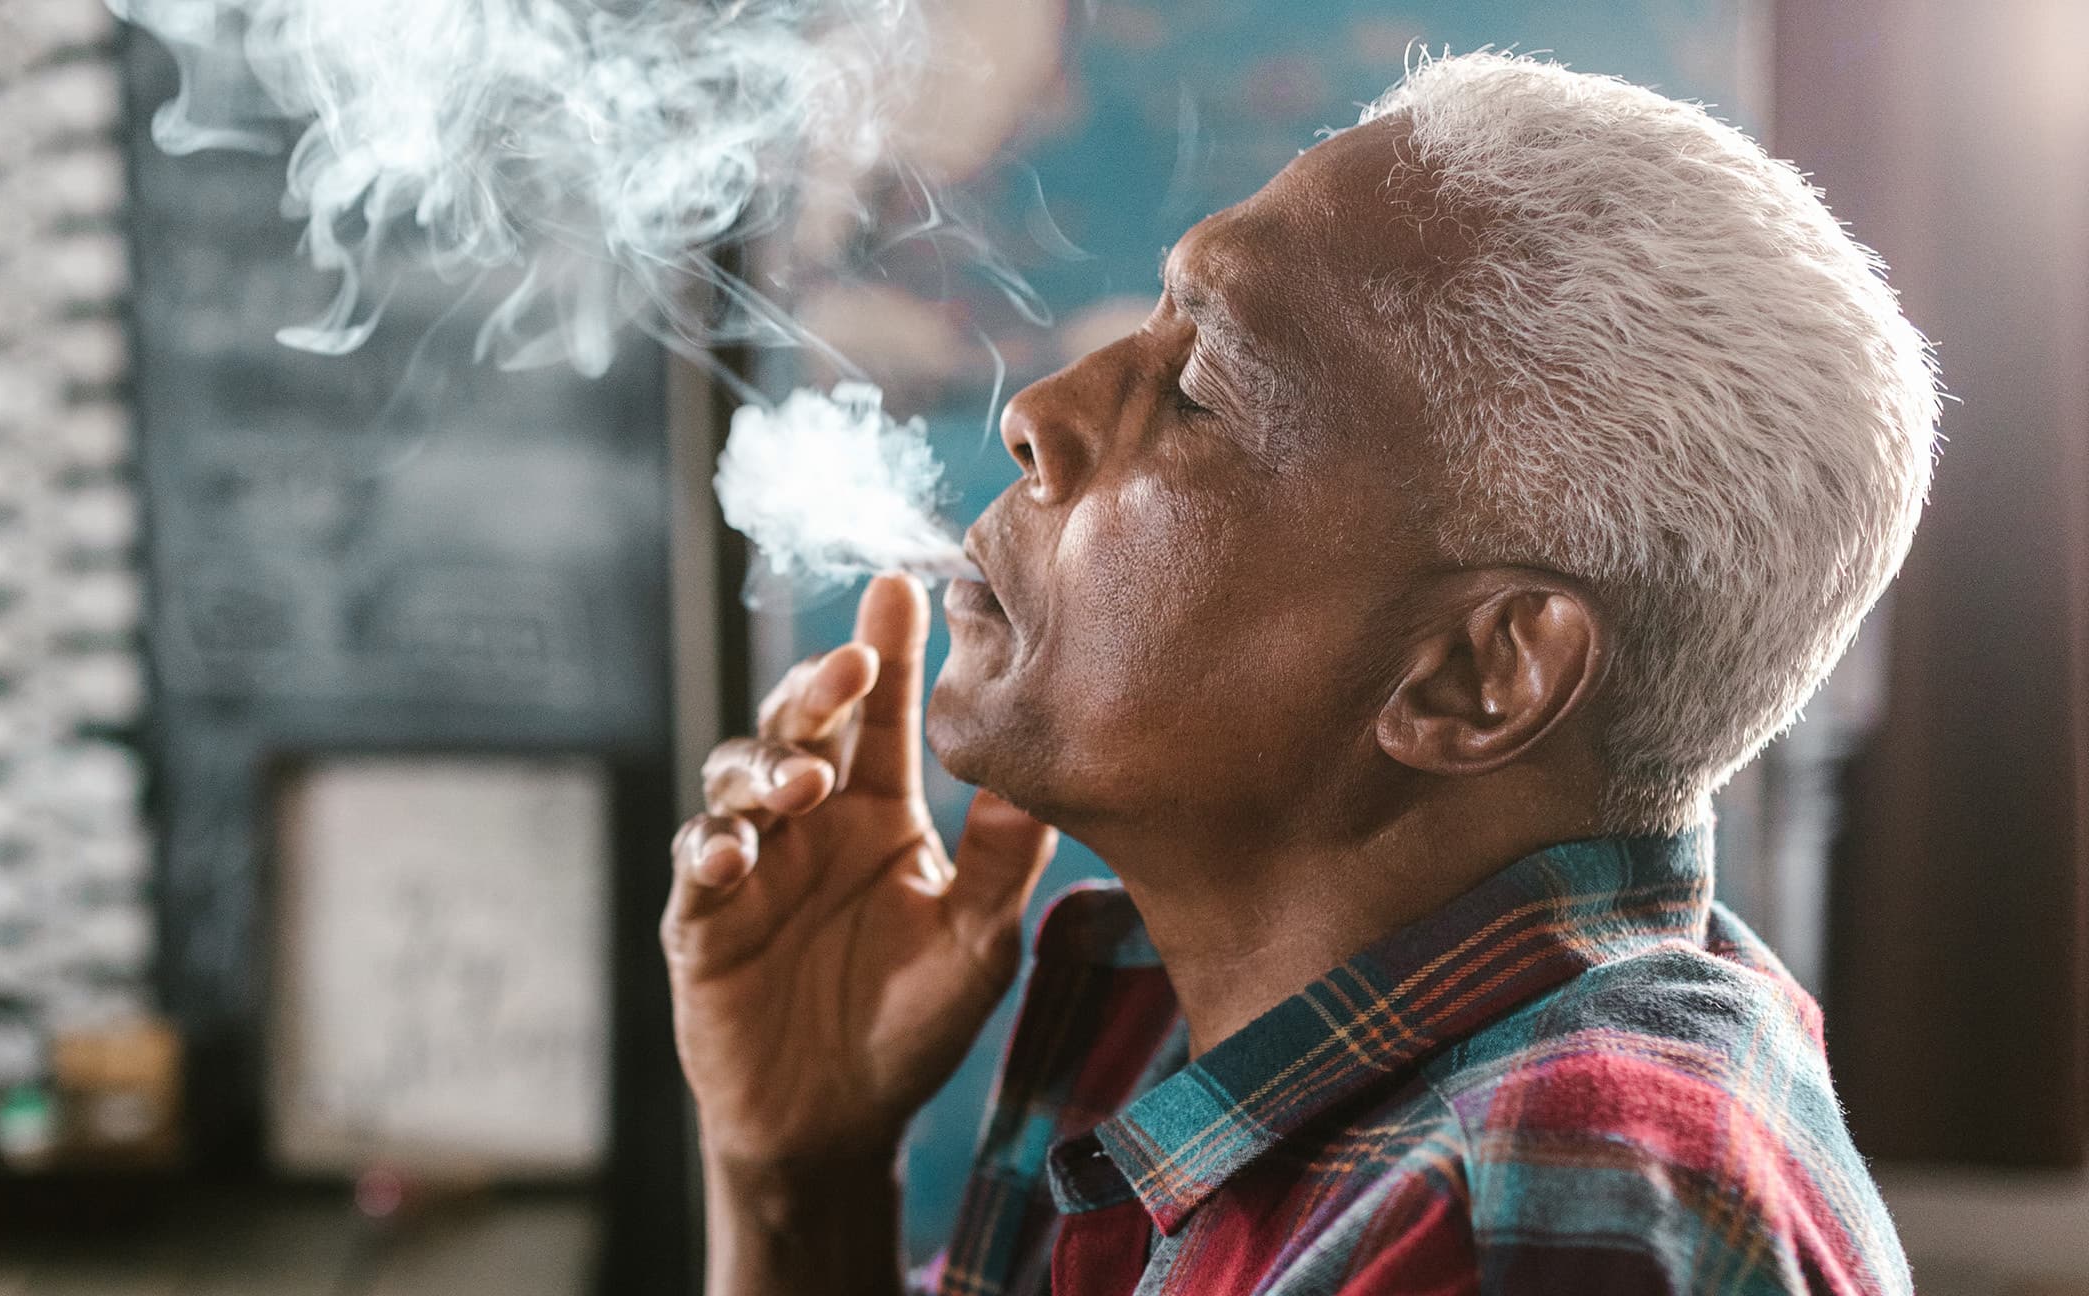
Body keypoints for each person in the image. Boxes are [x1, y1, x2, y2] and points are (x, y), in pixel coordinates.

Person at [664, 51, 1934, 1296]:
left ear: (1472, 675)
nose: (1039, 413)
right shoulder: (1221, 1031)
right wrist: (801, 1177)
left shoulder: (1523, 1209)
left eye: (1202, 387)